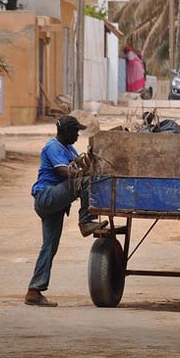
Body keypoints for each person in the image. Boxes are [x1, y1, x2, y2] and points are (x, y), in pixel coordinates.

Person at [25, 116, 105, 307]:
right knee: (85, 182)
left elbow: (80, 166)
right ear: (65, 132)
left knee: (49, 246)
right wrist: (85, 173)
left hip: (56, 202)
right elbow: (65, 172)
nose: (78, 135)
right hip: (47, 197)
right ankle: (86, 222)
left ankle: (34, 291)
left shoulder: (69, 148)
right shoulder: (52, 147)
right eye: (75, 132)